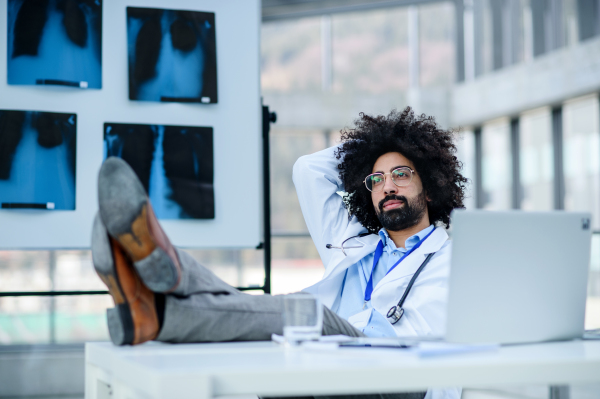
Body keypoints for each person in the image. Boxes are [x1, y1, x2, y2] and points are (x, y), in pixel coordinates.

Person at [91, 107, 466, 399]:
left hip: (405, 378)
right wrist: (374, 145)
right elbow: (309, 171)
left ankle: (164, 283)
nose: (387, 186)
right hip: (330, 370)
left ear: (431, 187)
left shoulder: (457, 260)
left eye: (402, 173)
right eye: (376, 179)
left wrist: (397, 141)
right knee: (272, 341)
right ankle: (159, 308)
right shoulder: (353, 242)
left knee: (309, 319)